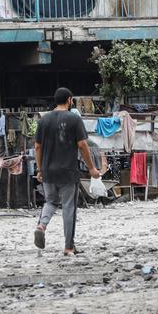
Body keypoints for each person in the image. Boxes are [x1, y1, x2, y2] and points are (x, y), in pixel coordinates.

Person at [33, 87, 104, 256]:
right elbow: (82, 145)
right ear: (70, 100)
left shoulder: (44, 121)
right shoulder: (74, 119)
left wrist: (40, 169)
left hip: (48, 171)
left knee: (50, 202)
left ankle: (41, 225)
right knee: (68, 208)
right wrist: (92, 168)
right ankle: (68, 247)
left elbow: (37, 147)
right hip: (68, 172)